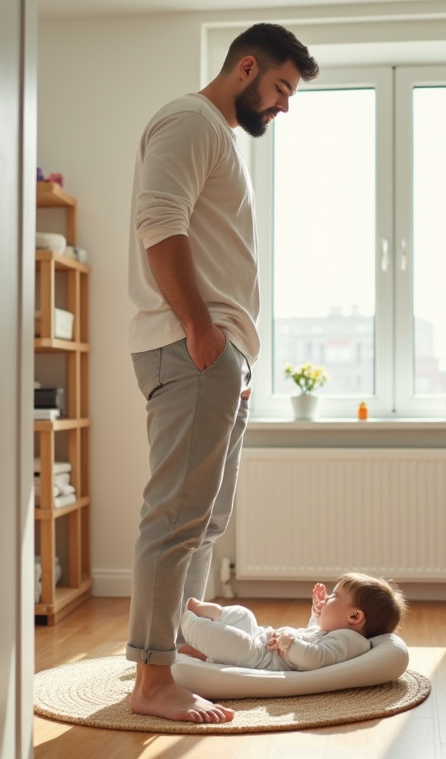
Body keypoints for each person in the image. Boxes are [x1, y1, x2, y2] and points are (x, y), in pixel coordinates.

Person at [125, 23, 319, 723]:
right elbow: (158, 221)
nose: (283, 106)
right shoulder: (189, 122)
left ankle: (176, 655)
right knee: (176, 517)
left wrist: (225, 344)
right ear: (245, 68)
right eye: (280, 89)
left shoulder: (217, 138)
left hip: (218, 353)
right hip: (193, 346)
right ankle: (151, 681)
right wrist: (202, 329)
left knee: (205, 519)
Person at [177, 573, 409, 671]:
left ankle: (186, 620)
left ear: (354, 617)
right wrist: (317, 610)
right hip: (263, 638)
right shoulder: (337, 631)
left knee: (235, 642)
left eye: (334, 597)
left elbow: (314, 658)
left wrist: (290, 644)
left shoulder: (351, 641)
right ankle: (202, 617)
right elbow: (313, 633)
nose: (327, 598)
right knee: (244, 615)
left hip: (261, 658)